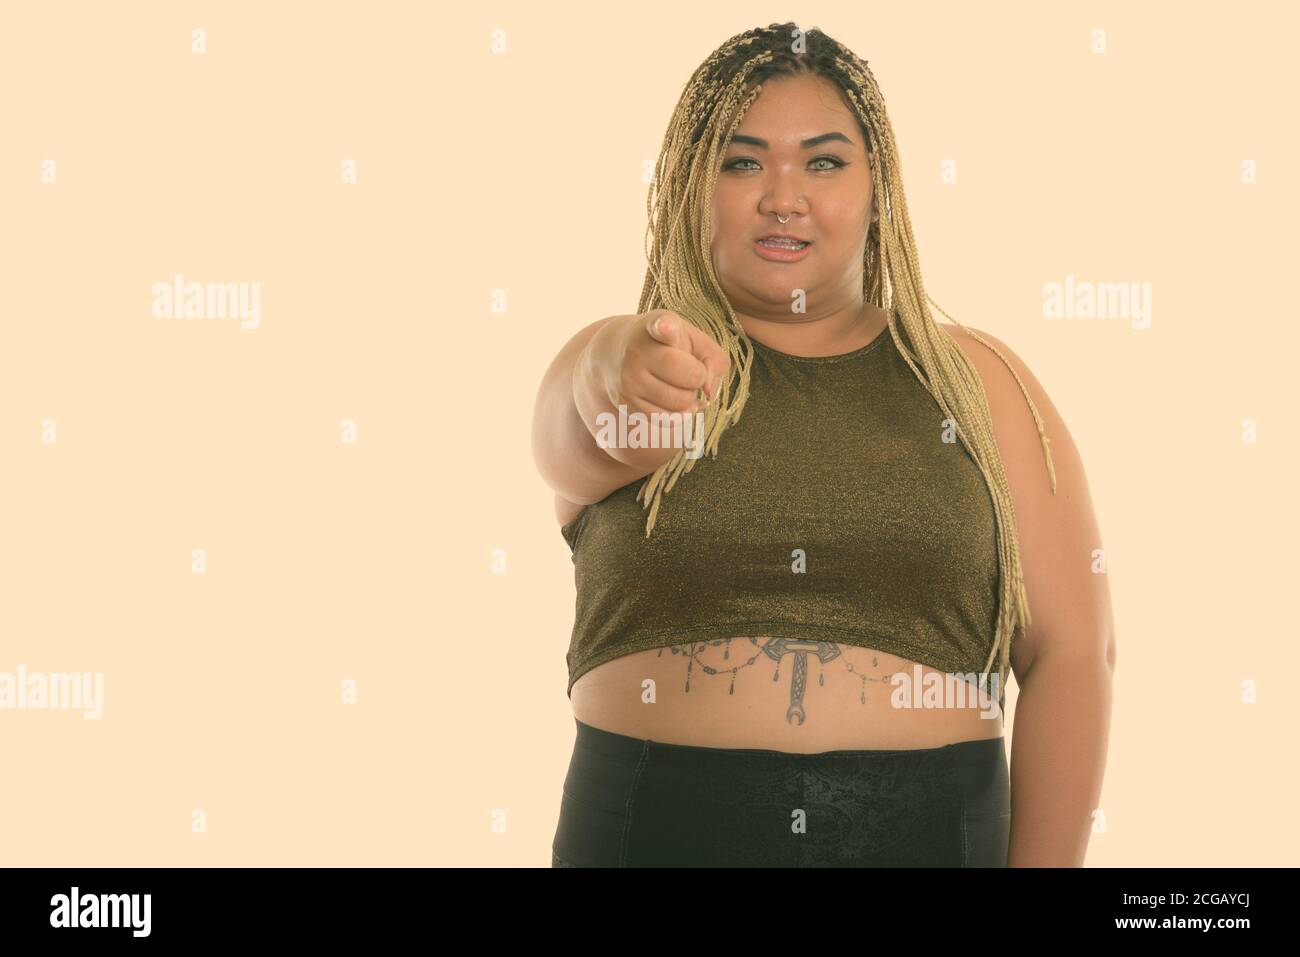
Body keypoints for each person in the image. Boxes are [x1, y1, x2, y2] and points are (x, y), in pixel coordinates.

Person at [531, 21, 1115, 867]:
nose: (783, 195)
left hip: (931, 836)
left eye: (825, 160)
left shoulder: (979, 383)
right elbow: (568, 436)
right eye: (742, 161)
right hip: (647, 831)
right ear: (690, 185)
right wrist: (616, 366)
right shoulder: (643, 363)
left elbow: (1072, 653)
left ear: (881, 189)